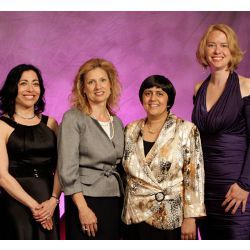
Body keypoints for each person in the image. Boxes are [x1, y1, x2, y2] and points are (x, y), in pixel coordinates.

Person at [122, 75, 206, 240]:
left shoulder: (186, 129)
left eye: (159, 93)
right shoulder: (130, 129)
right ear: (142, 98)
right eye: (148, 93)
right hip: (134, 214)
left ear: (169, 100)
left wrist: (190, 217)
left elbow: (194, 176)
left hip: (170, 216)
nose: (153, 98)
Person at [192, 23, 250, 239]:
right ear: (203, 50)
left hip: (237, 188)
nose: (217, 51)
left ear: (232, 50)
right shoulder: (199, 88)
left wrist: (245, 184)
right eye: (211, 45)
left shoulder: (246, 86)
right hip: (206, 189)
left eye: (224, 45)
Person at [57, 58, 124, 240]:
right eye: (91, 82)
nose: (98, 87)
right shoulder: (73, 118)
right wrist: (83, 208)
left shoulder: (117, 122)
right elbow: (67, 169)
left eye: (103, 80)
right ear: (83, 88)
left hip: (114, 198)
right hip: (85, 198)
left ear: (111, 85)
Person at [0, 64, 61, 240]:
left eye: (35, 83)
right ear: (13, 88)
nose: (30, 89)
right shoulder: (2, 125)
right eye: (23, 83)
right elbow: (2, 175)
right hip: (16, 201)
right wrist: (34, 206)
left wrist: (53, 201)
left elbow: (63, 167)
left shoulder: (51, 124)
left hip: (48, 201)